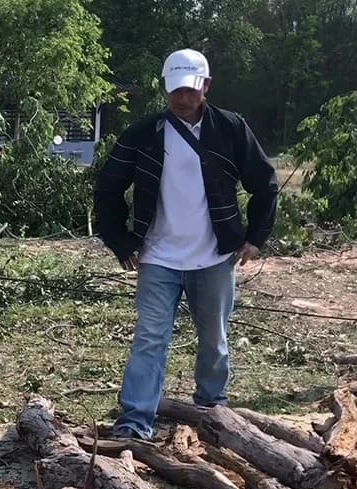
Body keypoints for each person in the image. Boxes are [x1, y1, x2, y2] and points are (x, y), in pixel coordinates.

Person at [93, 48, 280, 439]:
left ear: (206, 86)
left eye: (190, 89)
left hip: (214, 257)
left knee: (214, 339)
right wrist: (121, 241)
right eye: (175, 89)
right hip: (158, 256)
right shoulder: (144, 133)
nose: (183, 97)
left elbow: (264, 183)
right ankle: (135, 421)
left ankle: (212, 412)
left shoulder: (230, 129)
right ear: (166, 87)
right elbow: (108, 186)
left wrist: (255, 238)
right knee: (150, 338)